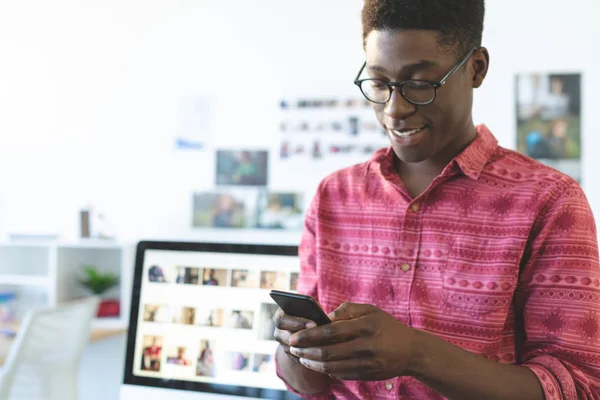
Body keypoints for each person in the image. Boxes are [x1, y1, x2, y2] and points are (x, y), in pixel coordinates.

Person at [274, 1, 600, 399]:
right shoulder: (333, 196)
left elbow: (577, 387)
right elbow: (310, 384)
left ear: (476, 68)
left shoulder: (550, 202)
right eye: (379, 84)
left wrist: (417, 354)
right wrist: (296, 347)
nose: (395, 109)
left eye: (420, 83)